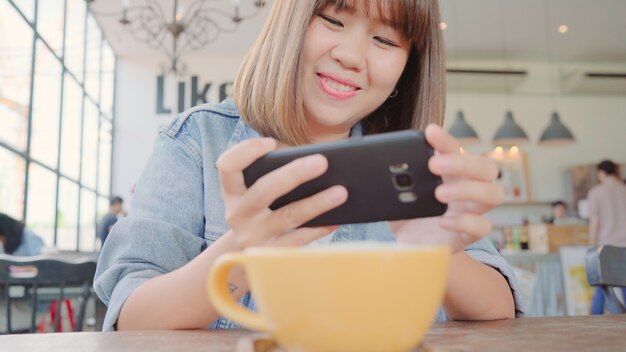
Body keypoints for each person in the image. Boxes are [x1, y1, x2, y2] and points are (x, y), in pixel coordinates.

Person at [94, 0, 524, 331]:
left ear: (405, 73)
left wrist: (436, 253)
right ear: (289, 26)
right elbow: (132, 316)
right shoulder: (196, 141)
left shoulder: (417, 168)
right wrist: (242, 250)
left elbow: (500, 307)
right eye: (333, 20)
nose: (352, 56)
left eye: (386, 41)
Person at [587, 160, 626, 314]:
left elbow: (594, 222)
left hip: (606, 249)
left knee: (603, 289)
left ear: (601, 173)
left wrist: (590, 247)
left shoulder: (596, 192)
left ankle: (594, 323)